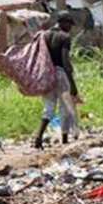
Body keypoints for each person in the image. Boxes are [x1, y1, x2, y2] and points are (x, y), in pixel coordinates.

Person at [35, 11, 81, 150]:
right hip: (60, 74)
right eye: (69, 24)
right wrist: (72, 84)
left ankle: (39, 136)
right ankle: (64, 138)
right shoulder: (64, 37)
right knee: (64, 106)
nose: (70, 28)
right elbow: (65, 62)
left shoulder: (44, 35)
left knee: (48, 106)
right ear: (63, 23)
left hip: (46, 74)